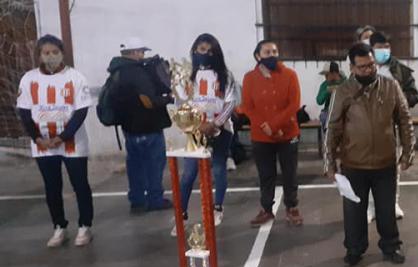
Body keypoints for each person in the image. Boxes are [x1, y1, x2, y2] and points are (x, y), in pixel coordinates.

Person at [324, 42, 415, 266]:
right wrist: (329, 162)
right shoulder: (343, 91)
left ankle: (391, 246)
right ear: (352, 67)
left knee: (386, 211)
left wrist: (407, 152)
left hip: (385, 163)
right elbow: (333, 128)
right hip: (353, 165)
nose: (369, 70)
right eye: (363, 67)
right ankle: (354, 249)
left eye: (372, 65)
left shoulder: (391, 86)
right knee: (354, 212)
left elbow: (405, 120)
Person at [16, 34, 94, 247]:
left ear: (62, 54)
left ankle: (85, 226)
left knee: (80, 184)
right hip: (42, 145)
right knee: (52, 186)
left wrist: (62, 137)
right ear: (39, 55)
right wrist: (37, 138)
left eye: (54, 52)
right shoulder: (29, 79)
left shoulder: (75, 78)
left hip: (71, 143)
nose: (50, 57)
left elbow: (81, 112)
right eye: (46, 53)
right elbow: (24, 112)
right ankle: (59, 227)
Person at [172, 33, 236, 236]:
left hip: (221, 129)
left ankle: (217, 208)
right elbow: (180, 104)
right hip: (195, 131)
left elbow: (230, 102)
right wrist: (196, 125)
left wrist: (215, 124)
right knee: (188, 174)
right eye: (202, 50)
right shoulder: (185, 75)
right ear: (194, 50)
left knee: (218, 169)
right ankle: (180, 215)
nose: (206, 54)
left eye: (211, 51)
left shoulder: (225, 75)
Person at [241, 40, 303, 227]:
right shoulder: (249, 78)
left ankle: (292, 207)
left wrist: (274, 125)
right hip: (261, 136)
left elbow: (294, 104)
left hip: (288, 133)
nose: (272, 55)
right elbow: (247, 107)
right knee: (266, 175)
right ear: (258, 56)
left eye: (275, 51)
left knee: (290, 174)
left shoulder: (290, 75)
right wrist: (264, 126)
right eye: (267, 52)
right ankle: (266, 209)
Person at [108, 36, 173, 213]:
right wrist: (167, 99)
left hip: (129, 128)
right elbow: (148, 101)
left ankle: (137, 201)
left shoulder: (117, 72)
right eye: (142, 51)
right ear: (135, 52)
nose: (143, 55)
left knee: (135, 167)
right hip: (148, 126)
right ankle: (155, 200)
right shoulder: (137, 73)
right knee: (154, 165)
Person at [366, 31, 418, 221]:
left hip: (392, 127)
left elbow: (414, 96)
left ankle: (393, 203)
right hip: (367, 128)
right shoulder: (364, 69)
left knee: (392, 169)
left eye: (387, 46)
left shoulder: (400, 70)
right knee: (369, 169)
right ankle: (370, 207)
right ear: (371, 48)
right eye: (379, 47)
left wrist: (399, 100)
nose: (384, 50)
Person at [317, 61, 345, 137]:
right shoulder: (325, 85)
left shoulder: (346, 82)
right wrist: (327, 91)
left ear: (334, 73)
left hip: (344, 111)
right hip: (328, 112)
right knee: (324, 118)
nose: (325, 77)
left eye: (327, 75)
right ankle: (328, 141)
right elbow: (319, 101)